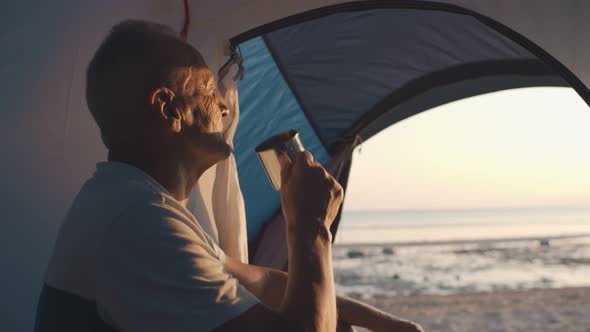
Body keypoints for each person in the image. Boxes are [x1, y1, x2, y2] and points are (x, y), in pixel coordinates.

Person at [35, 20, 424, 332]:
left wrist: (388, 323)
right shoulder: (137, 222)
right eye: (207, 88)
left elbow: (265, 283)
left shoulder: (139, 204)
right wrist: (311, 226)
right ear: (169, 110)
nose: (224, 105)